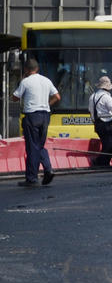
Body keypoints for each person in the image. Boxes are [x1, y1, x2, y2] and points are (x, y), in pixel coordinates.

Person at [11, 58, 60, 187]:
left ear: (26, 69)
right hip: (45, 115)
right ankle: (48, 169)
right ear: (37, 69)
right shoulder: (46, 80)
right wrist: (46, 104)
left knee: (32, 147)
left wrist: (21, 80)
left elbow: (14, 98)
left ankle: (32, 178)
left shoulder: (25, 82)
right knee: (40, 145)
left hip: (32, 116)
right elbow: (57, 97)